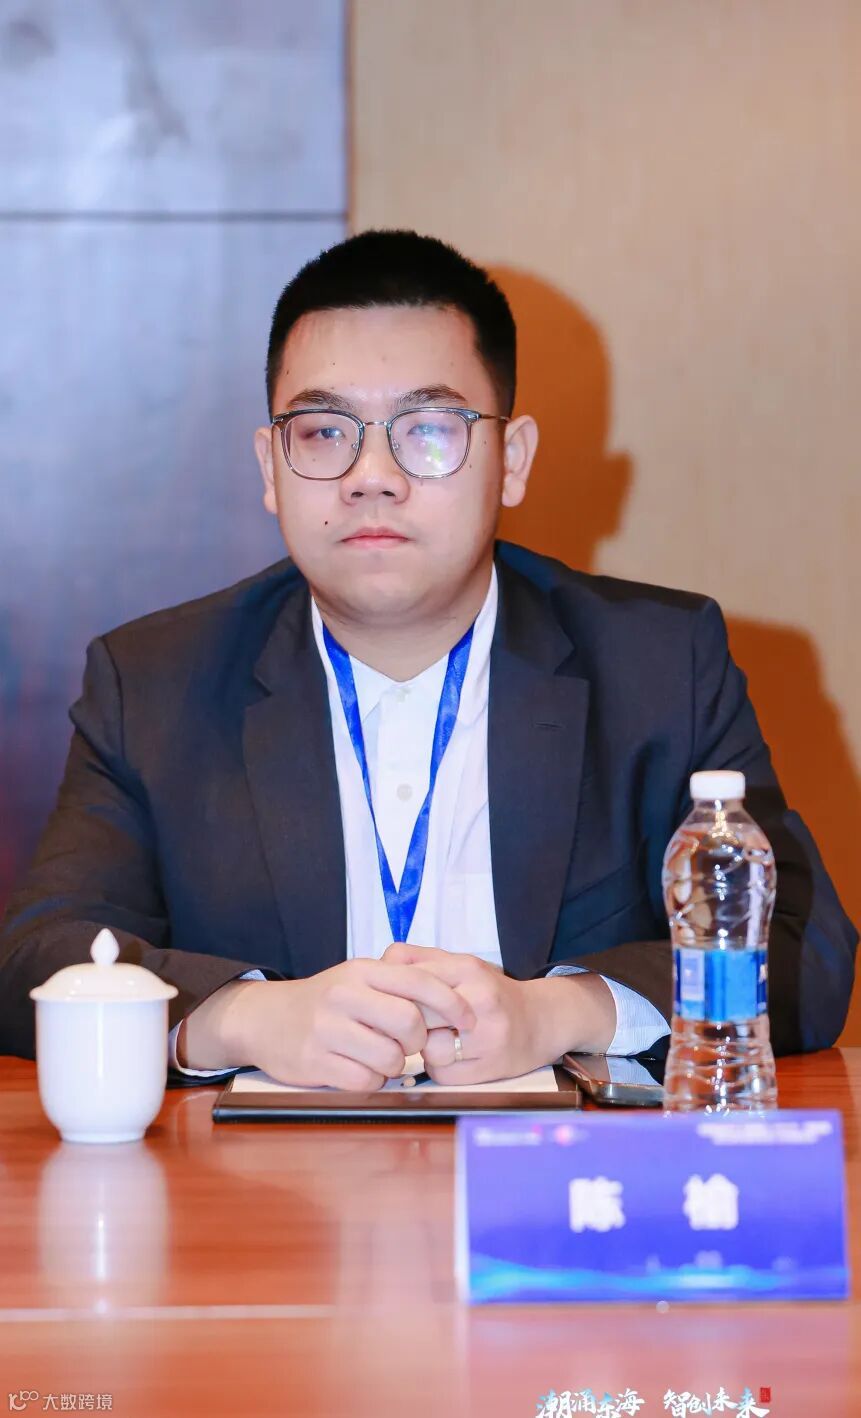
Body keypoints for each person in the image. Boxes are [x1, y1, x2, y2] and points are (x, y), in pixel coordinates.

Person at [0, 230, 855, 1088]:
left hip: (559, 1165)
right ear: (270, 466)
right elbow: (36, 958)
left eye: (429, 429)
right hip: (263, 1170)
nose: (372, 475)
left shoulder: (658, 665)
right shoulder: (155, 682)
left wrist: (567, 1010)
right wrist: (240, 1018)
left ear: (510, 461)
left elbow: (801, 952)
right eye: (323, 431)